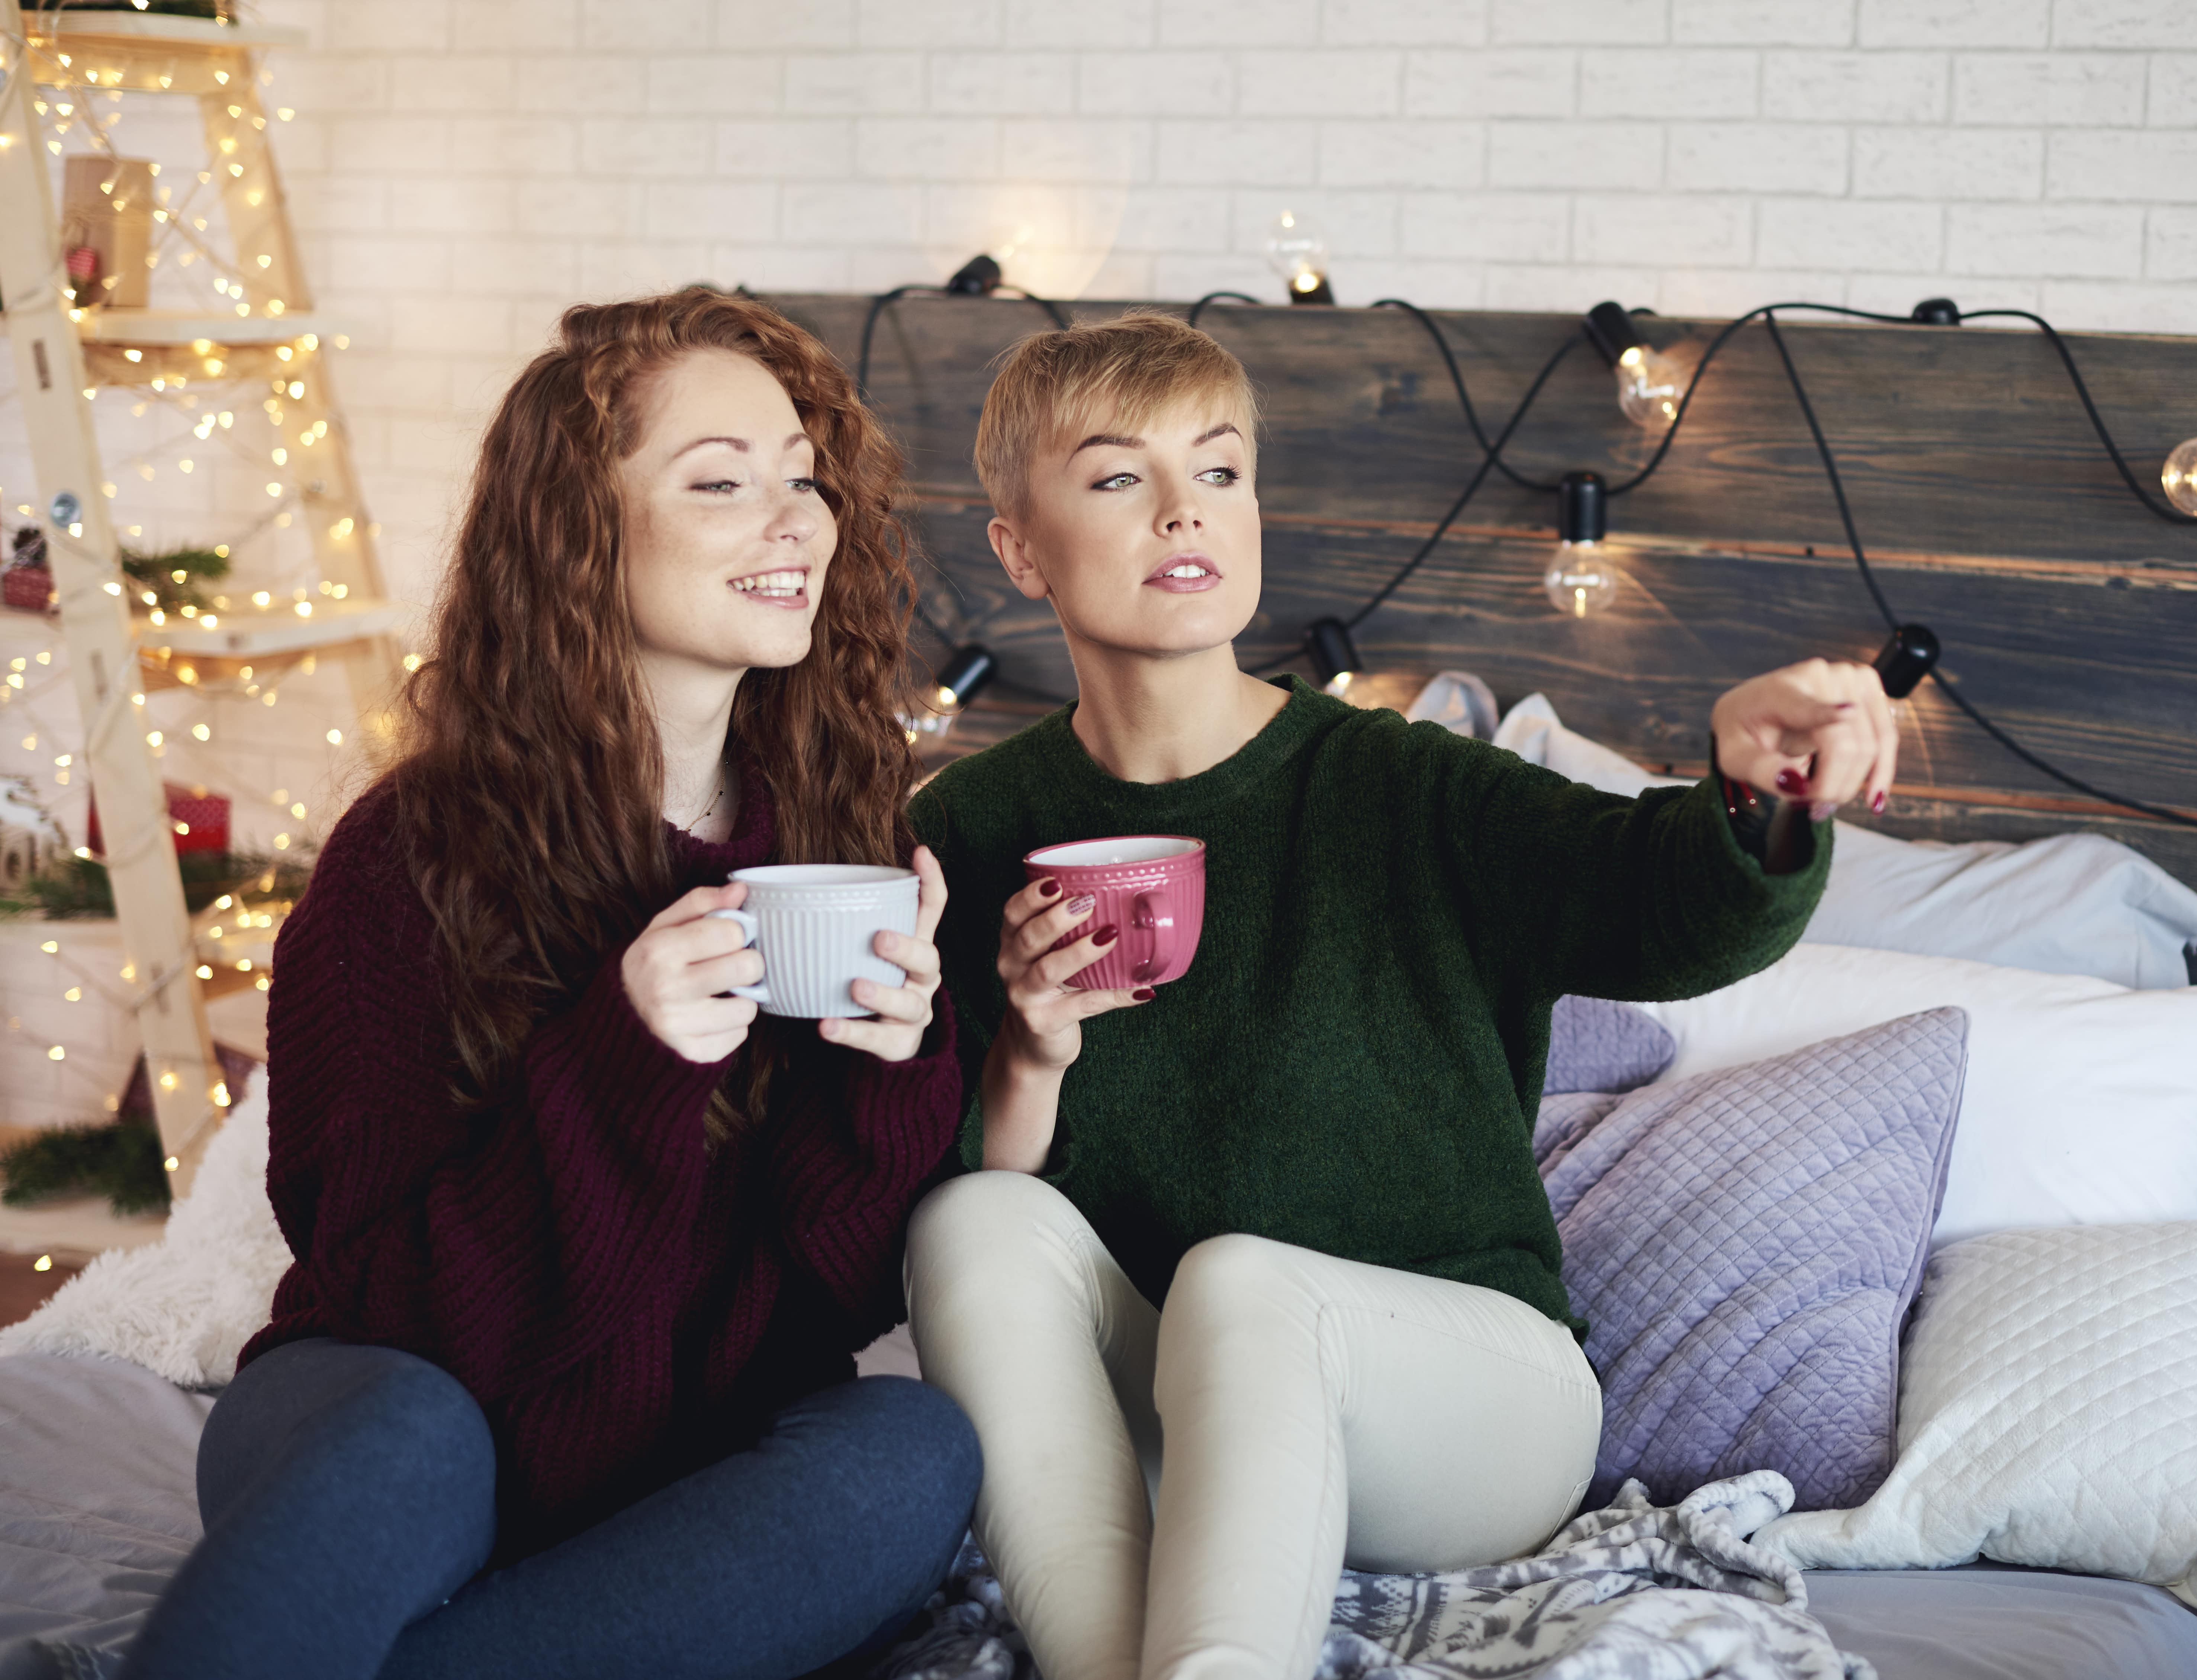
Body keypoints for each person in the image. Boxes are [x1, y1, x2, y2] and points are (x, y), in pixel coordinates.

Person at [903, 311, 1898, 1680]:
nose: (1185, 511)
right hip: (1174, 1409)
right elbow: (965, 1191)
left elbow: (1666, 908)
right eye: (1119, 478)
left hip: (1468, 1406)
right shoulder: (972, 823)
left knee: (1247, 1287)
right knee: (972, 1221)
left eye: (1221, 469)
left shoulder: (1404, 788)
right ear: (1020, 546)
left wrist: (1758, 799)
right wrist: (1027, 1047)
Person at [126, 289, 977, 1680]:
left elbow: (835, 1300)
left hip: (680, 1456)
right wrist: (627, 1058)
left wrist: (895, 1067)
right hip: (403, 1407)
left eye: (804, 477)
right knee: (409, 1432)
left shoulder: (846, 842)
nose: (795, 520)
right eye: (721, 482)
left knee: (911, 1448)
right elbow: (393, 1302)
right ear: (582, 533)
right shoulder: (409, 856)